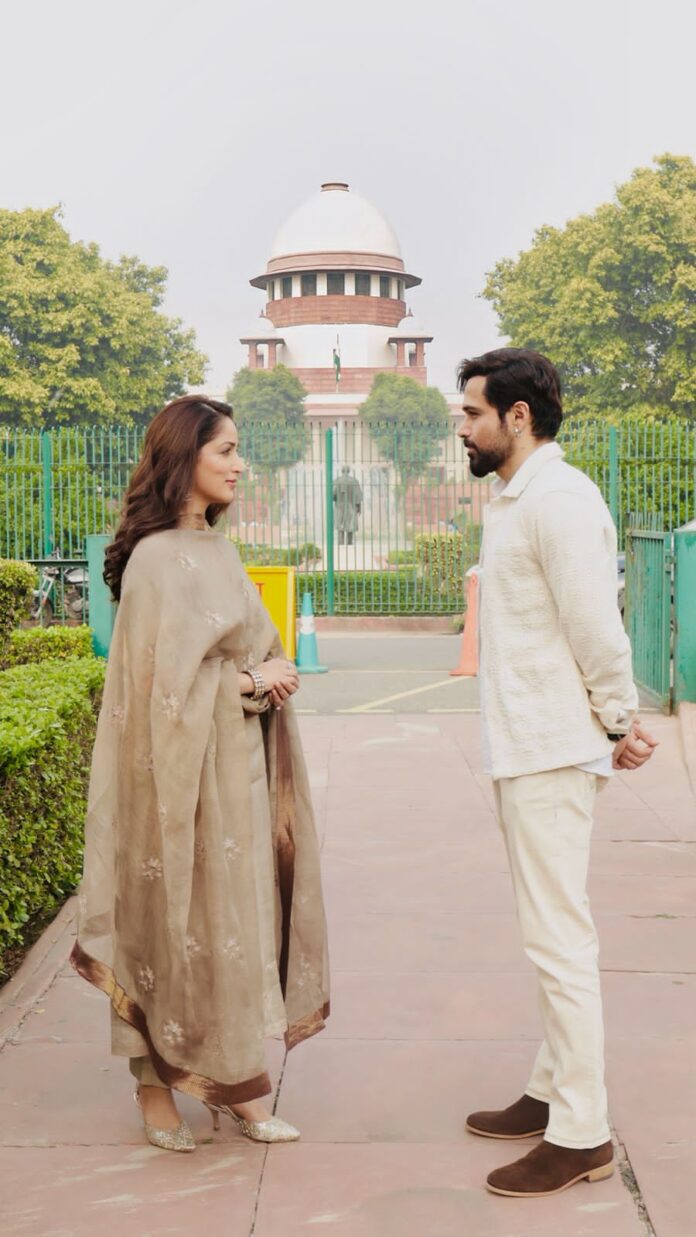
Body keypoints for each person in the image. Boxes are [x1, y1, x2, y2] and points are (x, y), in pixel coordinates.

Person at [71, 396, 329, 1153]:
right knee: (172, 922)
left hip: (237, 772)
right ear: (184, 457)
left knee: (236, 926)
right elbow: (163, 693)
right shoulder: (155, 559)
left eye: (239, 449)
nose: (239, 464)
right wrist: (251, 681)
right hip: (176, 777)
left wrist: (272, 668)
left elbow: (248, 645)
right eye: (225, 450)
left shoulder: (218, 548)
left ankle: (237, 1081)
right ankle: (154, 1086)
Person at [457, 349, 657, 1198]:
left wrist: (619, 719)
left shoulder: (561, 499)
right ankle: (550, 1088)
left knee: (559, 939)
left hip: (551, 748)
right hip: (527, 743)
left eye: (473, 413)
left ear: (519, 416)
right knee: (549, 933)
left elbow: (594, 624)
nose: (463, 428)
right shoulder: (515, 497)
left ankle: (582, 1132)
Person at [333, 465, 362, 545]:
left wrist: (336, 498)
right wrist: (359, 507)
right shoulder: (354, 481)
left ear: (342, 471)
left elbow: (332, 494)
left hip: (339, 506)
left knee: (340, 527)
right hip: (351, 506)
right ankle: (349, 544)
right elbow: (358, 495)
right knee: (350, 527)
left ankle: (340, 545)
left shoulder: (337, 480)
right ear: (349, 471)